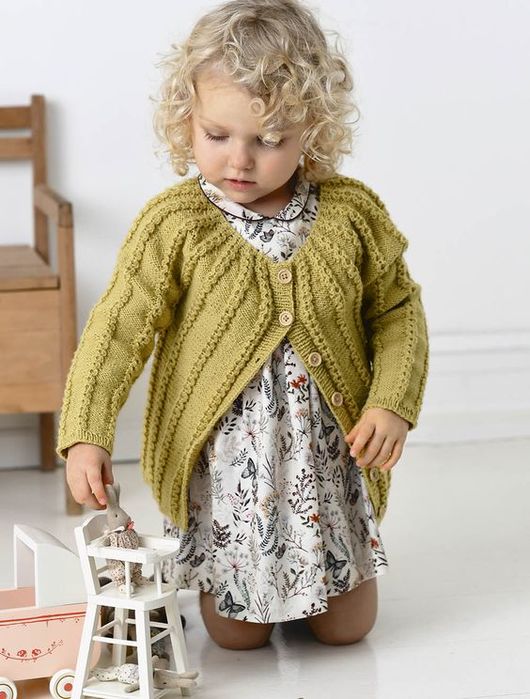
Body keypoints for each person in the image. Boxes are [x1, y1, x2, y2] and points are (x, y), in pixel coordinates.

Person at [57, 0, 429, 651]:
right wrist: (86, 433)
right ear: (186, 119)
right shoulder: (175, 224)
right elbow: (117, 328)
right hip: (232, 467)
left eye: (269, 140)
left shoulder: (350, 215)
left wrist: (392, 401)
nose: (240, 159)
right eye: (217, 135)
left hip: (323, 458)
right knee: (236, 638)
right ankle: (245, 581)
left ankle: (320, 577)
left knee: (349, 629)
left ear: (313, 127)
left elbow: (398, 311)